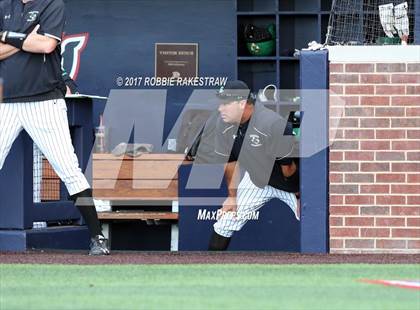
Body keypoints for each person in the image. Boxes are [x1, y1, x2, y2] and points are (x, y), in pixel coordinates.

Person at [0, 0, 109, 255]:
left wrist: (6, 37)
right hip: (6, 102)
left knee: (69, 169)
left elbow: (47, 45)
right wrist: (25, 39)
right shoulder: (5, 5)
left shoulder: (52, 4)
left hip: (44, 101)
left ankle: (97, 236)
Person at [208, 80, 300, 251]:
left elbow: (289, 169)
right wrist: (232, 196)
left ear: (242, 103)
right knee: (226, 221)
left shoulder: (271, 123)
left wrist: (301, 194)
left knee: (313, 219)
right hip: (258, 180)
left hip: (293, 184)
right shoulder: (223, 124)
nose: (220, 109)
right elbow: (230, 163)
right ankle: (208, 271)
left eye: (225, 104)